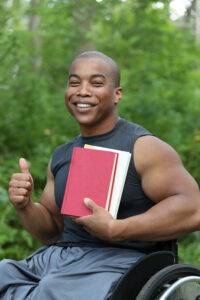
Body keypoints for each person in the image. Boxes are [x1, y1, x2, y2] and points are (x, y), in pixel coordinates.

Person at [1, 51, 200, 299]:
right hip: (60, 258)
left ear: (117, 94)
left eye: (96, 83)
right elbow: (51, 233)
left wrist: (116, 229)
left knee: (51, 289)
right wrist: (25, 205)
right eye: (75, 82)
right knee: (4, 274)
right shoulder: (63, 155)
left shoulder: (144, 147)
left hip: (120, 261)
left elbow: (193, 210)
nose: (83, 91)